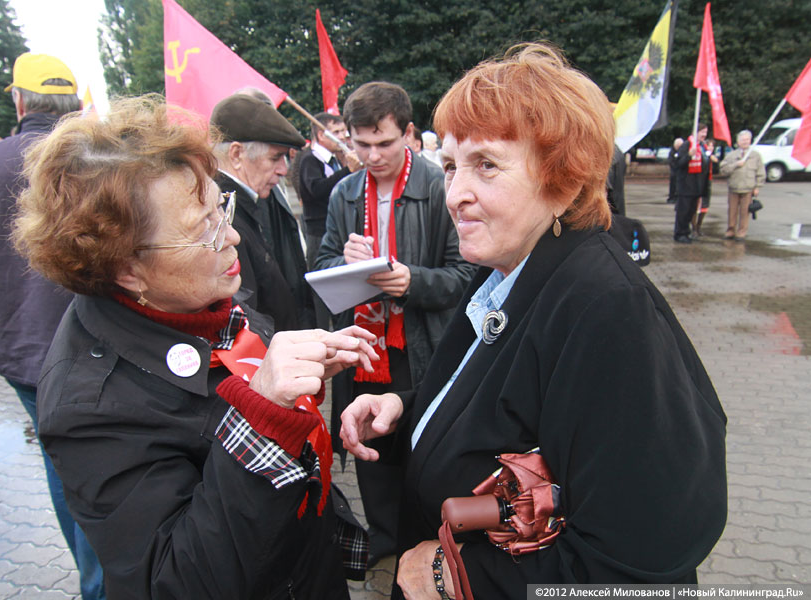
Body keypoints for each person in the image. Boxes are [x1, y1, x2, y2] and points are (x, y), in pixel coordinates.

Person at [340, 43, 727, 598]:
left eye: (486, 165)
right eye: (450, 165)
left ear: (563, 180)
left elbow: (644, 554)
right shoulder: (508, 265)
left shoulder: (607, 310)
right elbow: (498, 395)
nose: (455, 194)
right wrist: (407, 405)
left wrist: (458, 579)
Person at [11, 95, 377, 599]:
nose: (230, 237)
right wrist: (264, 416)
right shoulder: (87, 406)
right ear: (126, 268)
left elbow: (241, 363)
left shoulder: (200, 297)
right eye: (200, 230)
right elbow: (175, 582)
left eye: (219, 208)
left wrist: (301, 370)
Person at [0, 52, 105, 600]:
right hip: (99, 346)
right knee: (103, 466)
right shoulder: (102, 160)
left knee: (62, 465)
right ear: (73, 101)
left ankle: (96, 583)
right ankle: (106, 582)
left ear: (18, 100)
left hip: (22, 350)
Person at [315, 81, 476, 566]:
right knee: (370, 451)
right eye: (361, 144)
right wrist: (343, 261)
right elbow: (320, 265)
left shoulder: (437, 184)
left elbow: (467, 277)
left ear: (408, 133)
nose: (372, 155)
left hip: (420, 346)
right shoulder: (345, 193)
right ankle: (385, 545)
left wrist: (410, 282)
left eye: (384, 143)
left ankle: (429, 542)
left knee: (423, 449)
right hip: (363, 348)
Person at [211, 94, 315, 333]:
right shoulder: (222, 217)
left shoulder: (242, 204)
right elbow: (240, 316)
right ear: (237, 154)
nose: (283, 170)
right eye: (275, 157)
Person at [298, 113, 361, 268]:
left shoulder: (336, 159)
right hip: (319, 232)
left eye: (343, 132)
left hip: (335, 229)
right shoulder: (310, 159)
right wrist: (347, 171)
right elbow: (316, 190)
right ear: (321, 135)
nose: (341, 137)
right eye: (336, 132)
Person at [720, 129, 765, 240]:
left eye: (747, 139)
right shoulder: (731, 155)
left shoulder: (755, 156)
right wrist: (736, 164)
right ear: (738, 141)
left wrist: (757, 187)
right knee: (732, 211)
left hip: (748, 188)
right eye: (743, 139)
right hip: (734, 187)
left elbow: (760, 172)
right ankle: (731, 230)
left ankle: (742, 232)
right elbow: (723, 169)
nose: (745, 142)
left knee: (745, 212)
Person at [673, 123, 711, 243]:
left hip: (697, 186)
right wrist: (689, 156)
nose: (704, 135)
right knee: (683, 211)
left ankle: (686, 232)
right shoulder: (687, 145)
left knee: (691, 211)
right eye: (702, 132)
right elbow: (678, 164)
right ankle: (680, 233)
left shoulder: (702, 147)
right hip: (686, 186)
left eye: (706, 132)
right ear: (696, 132)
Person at [667, 137, 684, 203]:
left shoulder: (682, 151)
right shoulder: (672, 152)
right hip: (674, 171)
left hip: (681, 172)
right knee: (673, 185)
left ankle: (678, 197)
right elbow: (670, 161)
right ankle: (672, 197)